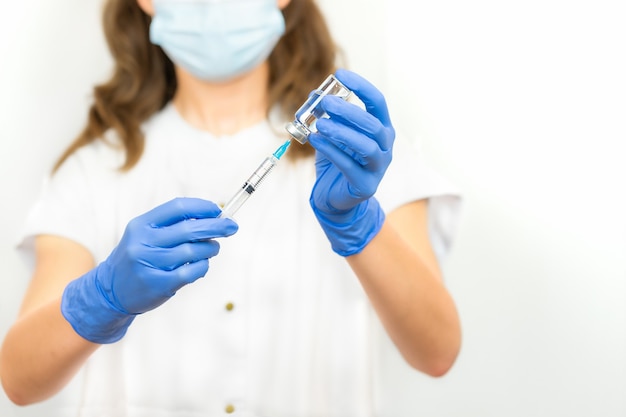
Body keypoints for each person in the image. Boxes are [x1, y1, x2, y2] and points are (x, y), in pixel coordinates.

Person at [0, 0, 462, 415]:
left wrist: (359, 224)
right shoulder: (95, 170)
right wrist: (101, 299)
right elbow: (18, 380)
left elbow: (437, 351)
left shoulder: (356, 156)